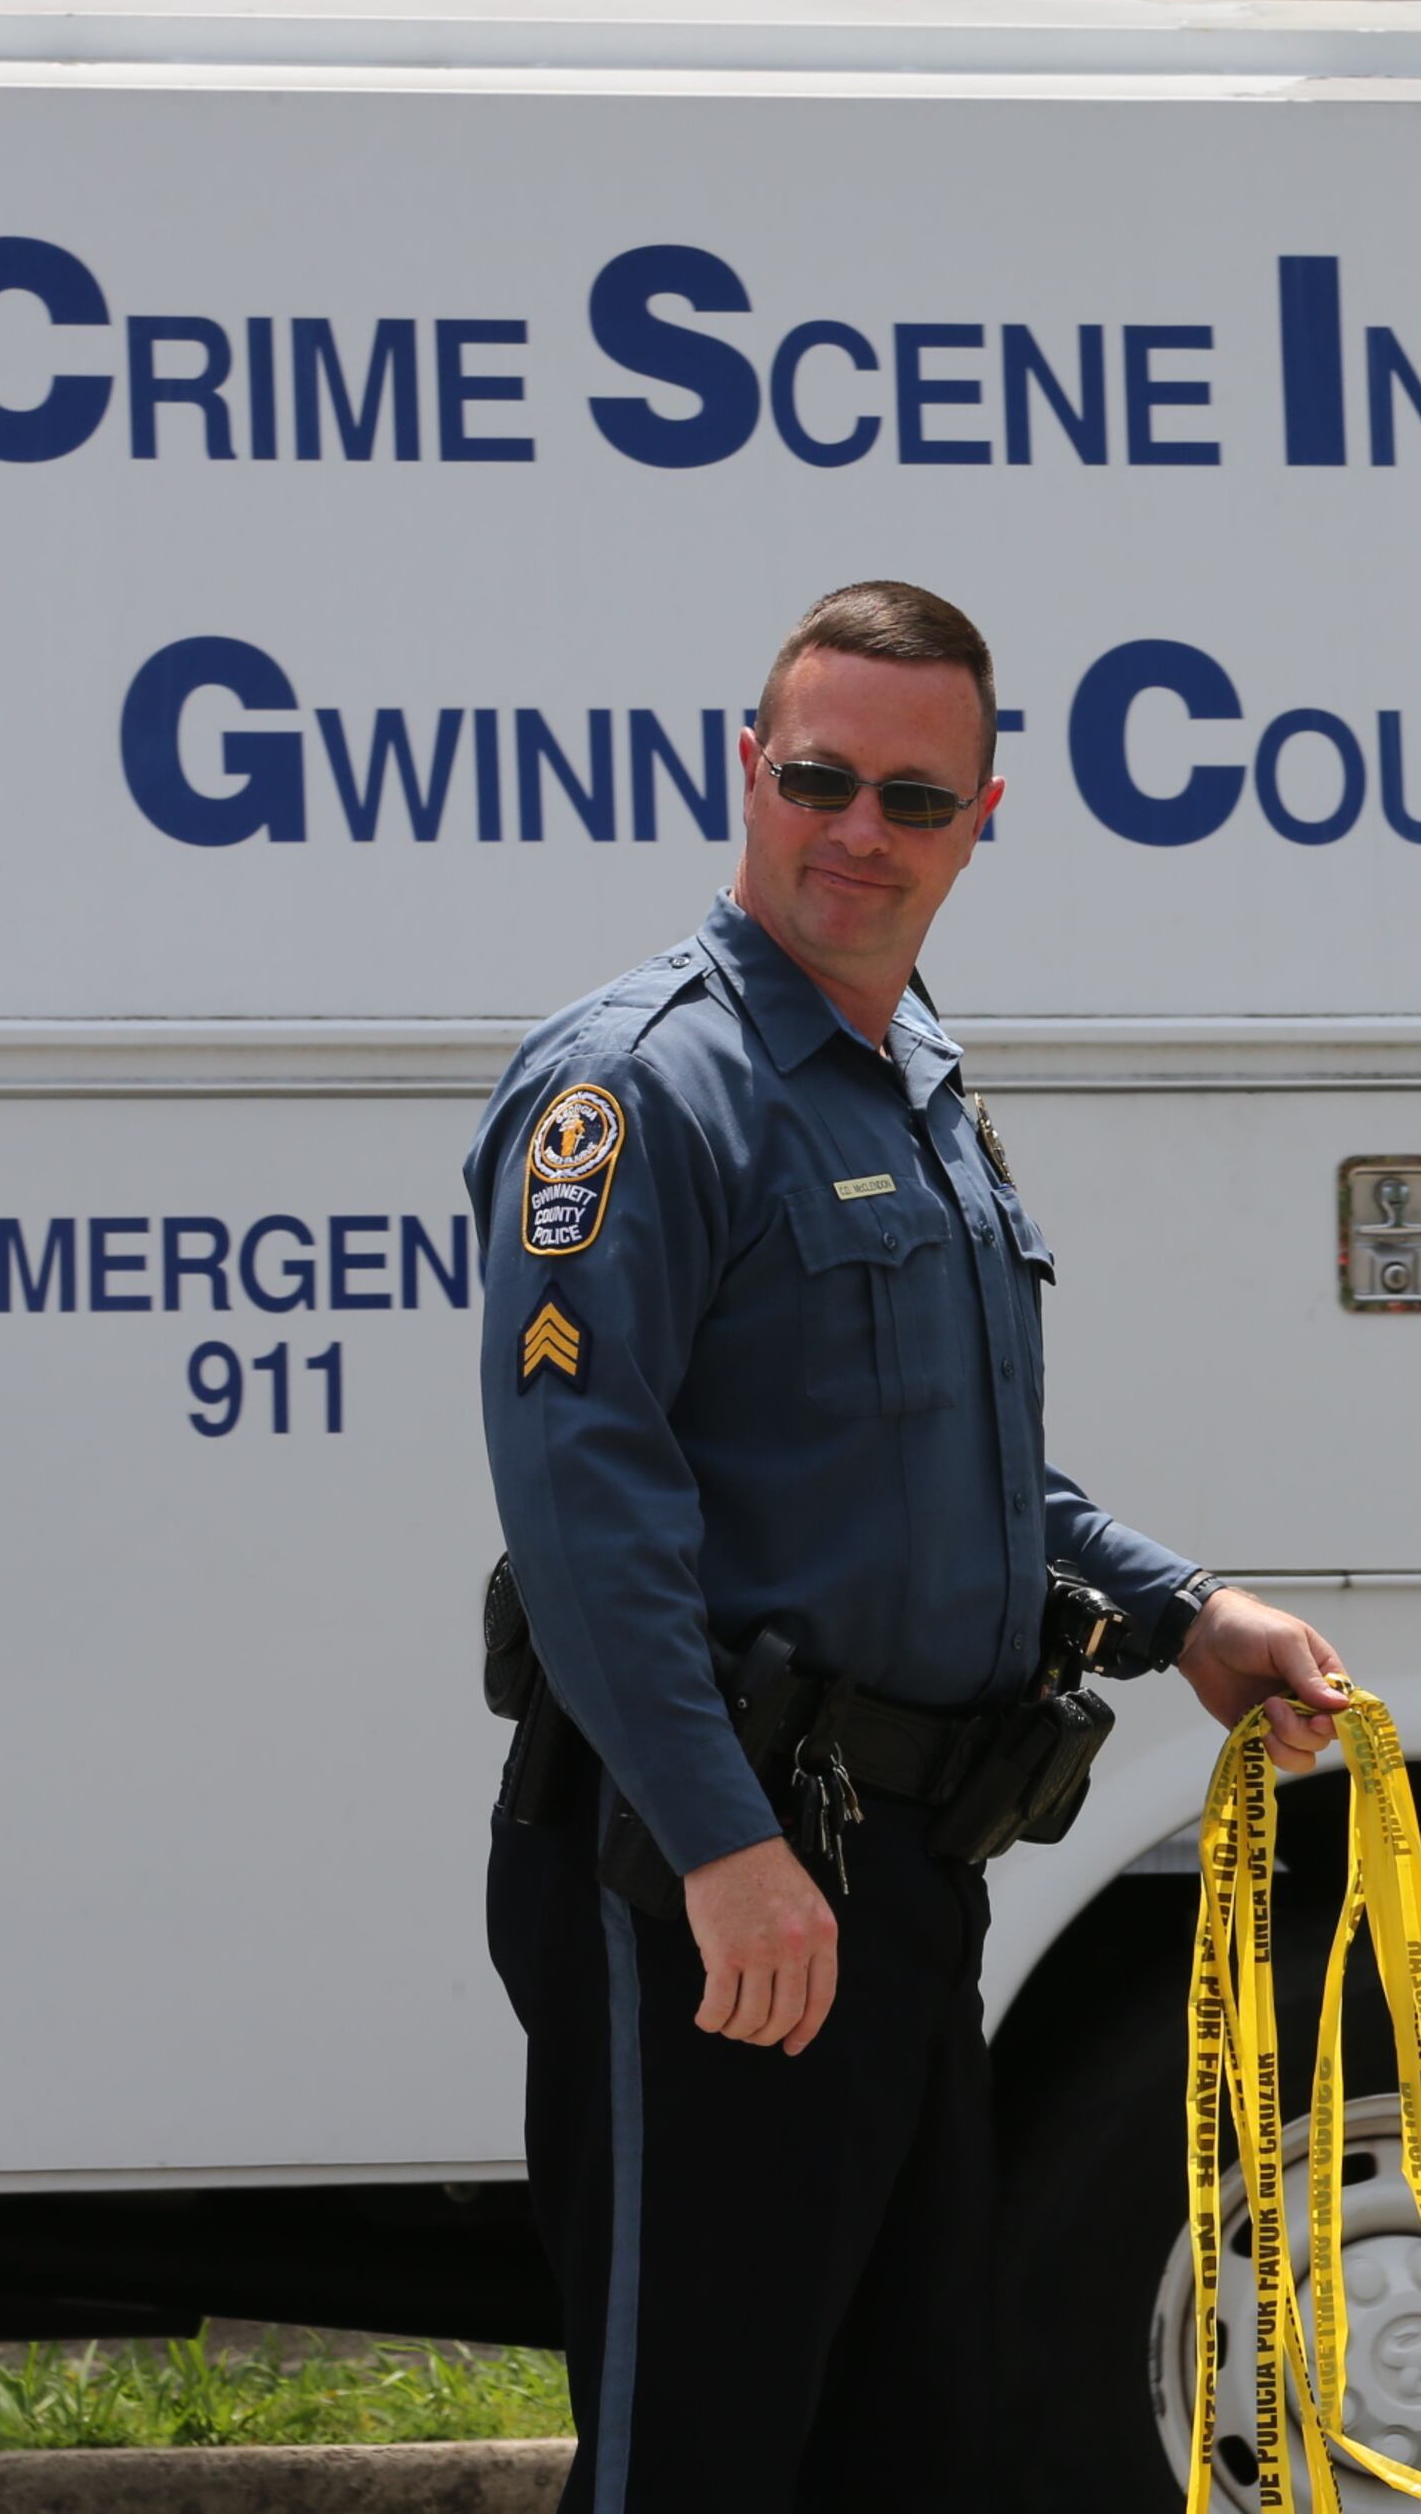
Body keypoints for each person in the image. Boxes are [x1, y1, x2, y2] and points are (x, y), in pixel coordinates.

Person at [467, 579, 1351, 2511]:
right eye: (818, 779)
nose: (858, 831)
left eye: (913, 798)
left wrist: (1177, 1611)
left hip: (892, 1887)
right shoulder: (641, 1088)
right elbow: (584, 1508)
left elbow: (955, 1470)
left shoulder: (911, 1084)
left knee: (905, 2448)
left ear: (982, 820)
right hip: (710, 1894)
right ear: (745, 774)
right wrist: (724, 1848)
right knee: (696, 2459)